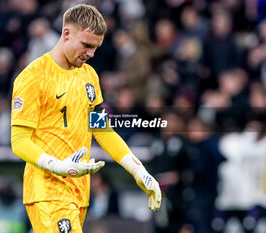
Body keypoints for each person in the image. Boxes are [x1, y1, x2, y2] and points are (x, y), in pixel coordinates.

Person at [10, 4, 161, 233]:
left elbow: (103, 131)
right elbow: (19, 141)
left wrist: (138, 170)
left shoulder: (89, 75)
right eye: (87, 45)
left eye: (96, 48)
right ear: (67, 33)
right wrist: (58, 166)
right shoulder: (33, 77)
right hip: (48, 190)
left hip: (79, 192)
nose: (91, 54)